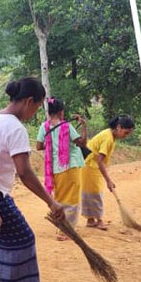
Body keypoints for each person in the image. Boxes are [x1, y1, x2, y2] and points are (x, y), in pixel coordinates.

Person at [0, 77, 66, 282]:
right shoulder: (15, 128)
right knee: (22, 239)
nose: (34, 114)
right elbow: (25, 172)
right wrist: (50, 201)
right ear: (29, 101)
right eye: (37, 108)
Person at [36, 96, 87, 236]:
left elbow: (39, 146)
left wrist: (52, 145)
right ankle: (66, 231)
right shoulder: (67, 126)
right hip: (70, 166)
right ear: (61, 112)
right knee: (71, 199)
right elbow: (82, 142)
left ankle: (61, 227)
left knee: (59, 197)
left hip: (54, 168)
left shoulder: (44, 126)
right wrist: (83, 125)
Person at [80, 115, 135, 230]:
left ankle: (90, 220)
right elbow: (100, 161)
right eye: (126, 133)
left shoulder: (110, 135)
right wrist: (108, 180)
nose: (126, 136)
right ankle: (98, 220)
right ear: (119, 127)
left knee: (90, 192)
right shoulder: (108, 138)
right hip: (90, 166)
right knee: (95, 193)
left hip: (89, 165)